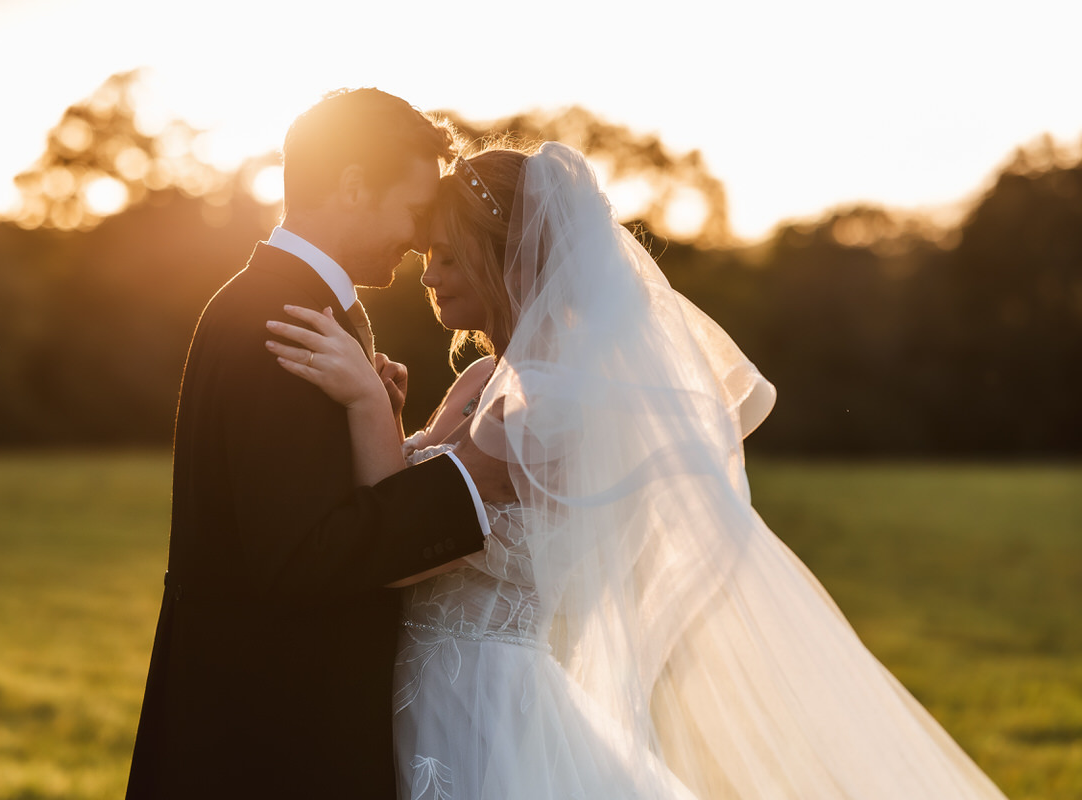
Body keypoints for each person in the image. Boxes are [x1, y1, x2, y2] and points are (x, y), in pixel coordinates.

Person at [264, 142, 1011, 798]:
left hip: (481, 704)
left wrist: (364, 401)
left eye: (449, 256)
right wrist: (391, 420)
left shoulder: (553, 404)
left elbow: (403, 547)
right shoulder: (480, 382)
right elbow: (402, 505)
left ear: (505, 259)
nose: (429, 277)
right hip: (414, 684)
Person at [125, 89, 505, 799]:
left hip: (266, 722)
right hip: (270, 739)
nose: (422, 238)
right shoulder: (282, 320)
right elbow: (300, 553)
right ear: (355, 186)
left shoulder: (296, 304)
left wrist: (382, 421)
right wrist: (462, 482)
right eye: (415, 211)